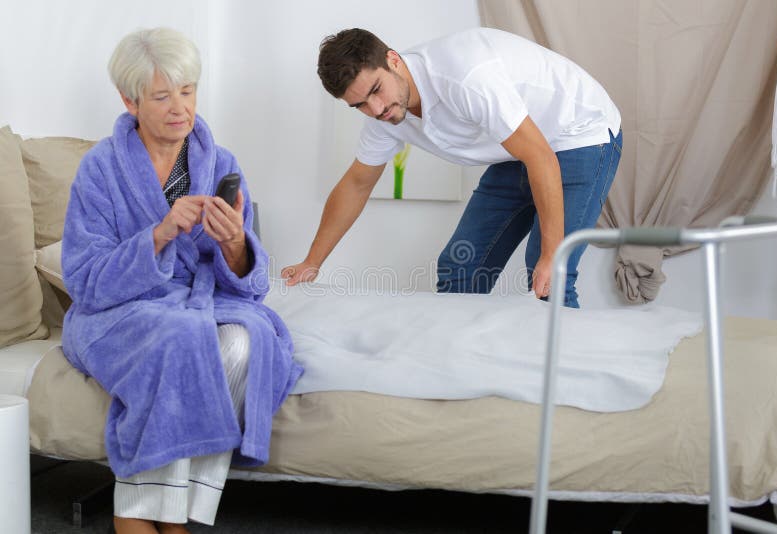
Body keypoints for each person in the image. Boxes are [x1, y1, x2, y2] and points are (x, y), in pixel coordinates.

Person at [61, 28, 303, 533]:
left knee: (245, 340)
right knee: (182, 339)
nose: (180, 107)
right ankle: (151, 518)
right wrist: (159, 233)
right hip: (117, 311)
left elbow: (247, 282)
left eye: (187, 91)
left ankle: (167, 512)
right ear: (130, 101)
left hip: (198, 302)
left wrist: (235, 242)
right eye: (162, 95)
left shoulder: (221, 163)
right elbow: (84, 279)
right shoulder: (101, 169)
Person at [282, 27, 622, 307]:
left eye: (376, 90)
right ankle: (462, 366)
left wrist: (551, 255)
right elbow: (357, 184)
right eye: (360, 105)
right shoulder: (382, 115)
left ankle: (567, 386)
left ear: (393, 60)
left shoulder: (463, 77)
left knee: (549, 274)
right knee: (460, 266)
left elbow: (541, 157)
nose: (377, 108)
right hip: (518, 147)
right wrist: (312, 262)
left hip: (580, 132)